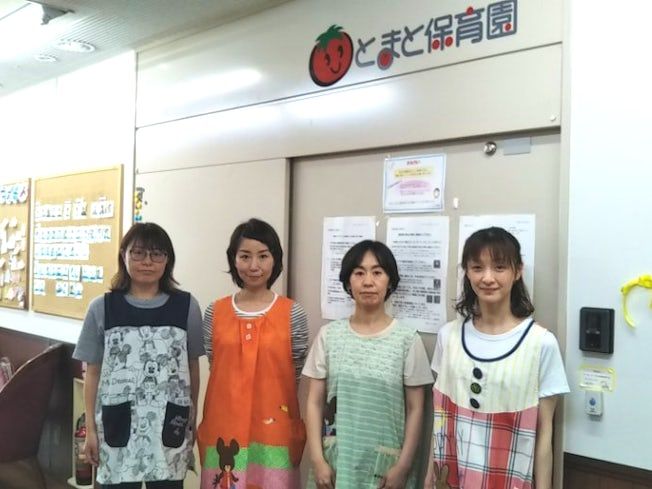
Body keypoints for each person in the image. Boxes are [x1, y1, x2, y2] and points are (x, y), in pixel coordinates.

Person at [426, 227, 570, 489]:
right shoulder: (448, 336)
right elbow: (440, 420)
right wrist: (429, 478)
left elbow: (544, 435)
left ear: (518, 271)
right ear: (467, 273)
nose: (487, 278)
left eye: (500, 267)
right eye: (477, 267)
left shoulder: (541, 343)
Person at [73, 222, 204, 488]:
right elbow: (93, 372)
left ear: (168, 260)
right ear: (124, 255)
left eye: (157, 254)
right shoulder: (102, 308)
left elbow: (192, 367)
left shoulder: (187, 307)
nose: (147, 262)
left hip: (170, 420)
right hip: (117, 422)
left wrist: (191, 420)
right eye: (138, 253)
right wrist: (91, 431)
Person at [303, 240, 433, 489]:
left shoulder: (407, 340)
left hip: (385, 468)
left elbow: (416, 409)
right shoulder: (329, 336)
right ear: (348, 282)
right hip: (335, 464)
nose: (368, 282)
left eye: (377, 272)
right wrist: (317, 460)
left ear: (390, 281)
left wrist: (403, 467)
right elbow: (314, 402)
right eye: (359, 273)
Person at [197, 218, 309, 489]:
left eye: (263, 256)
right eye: (245, 256)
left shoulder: (293, 313)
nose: (254, 266)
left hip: (275, 431)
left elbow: (294, 372)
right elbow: (216, 365)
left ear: (275, 259)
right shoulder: (214, 312)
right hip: (223, 428)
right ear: (233, 260)